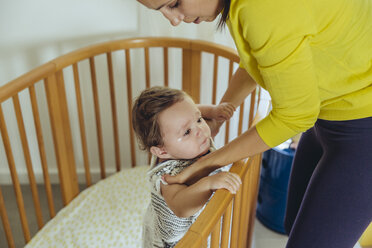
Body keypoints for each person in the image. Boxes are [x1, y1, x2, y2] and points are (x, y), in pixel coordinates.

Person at [136, 0, 372, 247]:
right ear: (159, 150)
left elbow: (295, 115)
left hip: (361, 121)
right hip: (330, 117)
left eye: (174, 3)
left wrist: (203, 165)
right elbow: (262, 58)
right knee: (294, 223)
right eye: (161, 9)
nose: (173, 19)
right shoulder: (164, 175)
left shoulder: (260, 8)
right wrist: (218, 116)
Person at [132, 86, 241, 248]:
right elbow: (180, 206)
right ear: (161, 150)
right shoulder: (166, 175)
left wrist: (212, 111)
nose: (200, 130)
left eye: (199, 119)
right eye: (186, 132)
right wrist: (209, 184)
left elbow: (189, 115)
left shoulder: (195, 138)